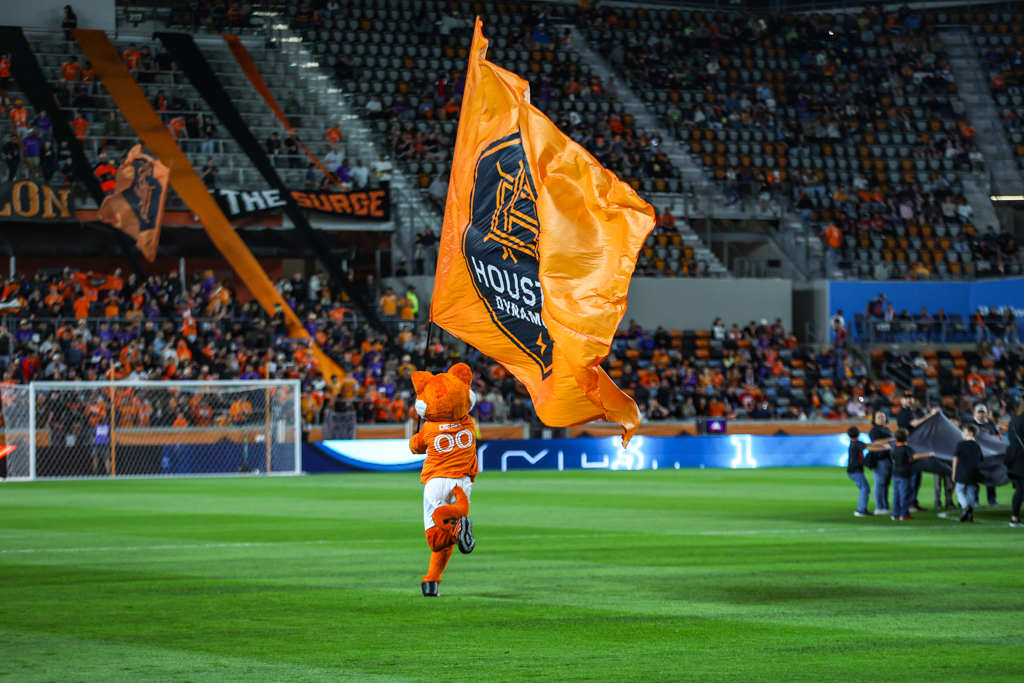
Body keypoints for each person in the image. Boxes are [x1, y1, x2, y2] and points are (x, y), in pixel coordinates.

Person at [895, 393, 940, 512]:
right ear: (902, 400)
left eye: (910, 398)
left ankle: (912, 502)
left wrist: (929, 414)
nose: (909, 400)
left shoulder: (913, 412)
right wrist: (931, 414)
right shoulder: (903, 413)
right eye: (906, 398)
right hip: (909, 447)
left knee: (916, 477)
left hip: (916, 446)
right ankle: (909, 503)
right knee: (912, 477)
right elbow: (915, 423)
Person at [890, 429, 934, 521]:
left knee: (896, 495)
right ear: (907, 438)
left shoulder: (894, 448)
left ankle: (896, 513)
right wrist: (928, 454)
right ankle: (904, 514)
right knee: (904, 494)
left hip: (895, 473)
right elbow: (914, 456)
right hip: (904, 474)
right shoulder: (906, 448)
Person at [847, 426, 888, 517]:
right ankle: (861, 510)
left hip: (853, 470)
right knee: (865, 489)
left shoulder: (854, 443)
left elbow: (869, 445)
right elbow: (870, 448)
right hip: (855, 470)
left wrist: (882, 445)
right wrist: (884, 448)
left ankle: (861, 508)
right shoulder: (856, 444)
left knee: (864, 489)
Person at [969, 404, 1002, 507]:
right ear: (974, 413)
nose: (981, 414)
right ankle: (975, 500)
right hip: (976, 456)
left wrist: (995, 437)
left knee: (991, 478)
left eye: (983, 412)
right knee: (975, 479)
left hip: (990, 456)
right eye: (979, 412)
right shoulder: (971, 424)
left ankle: (992, 500)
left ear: (986, 413)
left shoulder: (990, 424)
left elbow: (998, 436)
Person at [952, 423, 983, 523]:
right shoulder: (977, 446)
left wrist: (954, 472)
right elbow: (981, 459)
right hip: (974, 473)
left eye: (964, 431)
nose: (962, 434)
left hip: (962, 472)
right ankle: (970, 515)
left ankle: (966, 507)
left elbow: (955, 458)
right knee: (971, 492)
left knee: (959, 490)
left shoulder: (961, 444)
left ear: (970, 433)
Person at [869, 410, 894, 515]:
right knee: (880, 483)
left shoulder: (886, 429)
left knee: (885, 484)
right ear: (874, 420)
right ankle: (879, 507)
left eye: (883, 417)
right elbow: (875, 442)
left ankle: (885, 506)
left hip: (888, 459)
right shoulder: (874, 430)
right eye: (879, 417)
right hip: (880, 459)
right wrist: (890, 439)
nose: (881, 419)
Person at [1005, 399, 1024, 528]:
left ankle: (1014, 517)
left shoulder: (1013, 421)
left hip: (1012, 458)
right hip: (1022, 459)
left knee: (1019, 490)